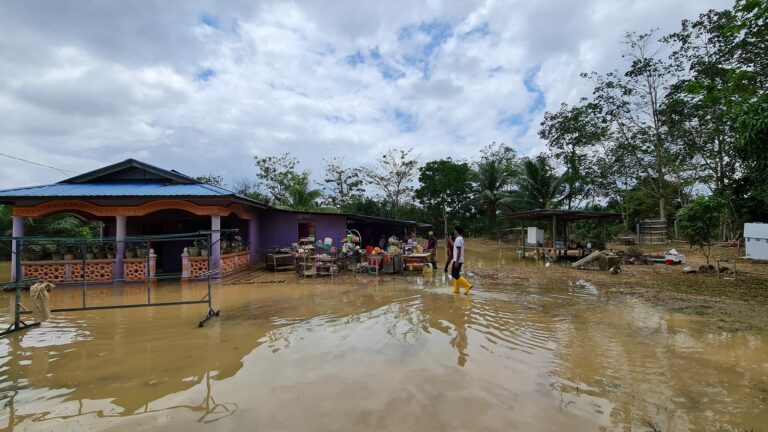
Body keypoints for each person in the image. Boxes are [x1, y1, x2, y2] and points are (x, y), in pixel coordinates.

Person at [451, 226, 472, 294]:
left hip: (458, 260)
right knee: (455, 274)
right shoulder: (460, 239)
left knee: (454, 274)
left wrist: (457, 261)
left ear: (456, 231)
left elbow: (459, 251)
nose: (454, 232)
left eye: (454, 230)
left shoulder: (458, 239)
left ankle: (467, 285)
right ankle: (456, 289)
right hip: (458, 259)